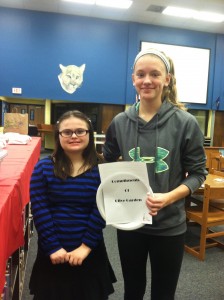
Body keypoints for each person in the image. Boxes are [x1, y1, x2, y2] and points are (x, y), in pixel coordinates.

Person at [103, 48, 207, 300]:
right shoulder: (120, 122)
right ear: (133, 80)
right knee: (133, 291)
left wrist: (169, 197)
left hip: (169, 226)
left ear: (167, 79)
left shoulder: (185, 123)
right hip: (130, 225)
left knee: (163, 293)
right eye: (140, 74)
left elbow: (197, 174)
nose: (147, 80)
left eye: (154, 74)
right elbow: (108, 159)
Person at [29, 110, 116, 300]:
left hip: (90, 251)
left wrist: (85, 247)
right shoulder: (43, 168)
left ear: (89, 135)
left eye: (80, 131)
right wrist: (53, 247)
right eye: (67, 132)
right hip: (52, 253)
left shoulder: (103, 169)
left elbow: (101, 210)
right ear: (58, 136)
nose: (74, 136)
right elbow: (40, 210)